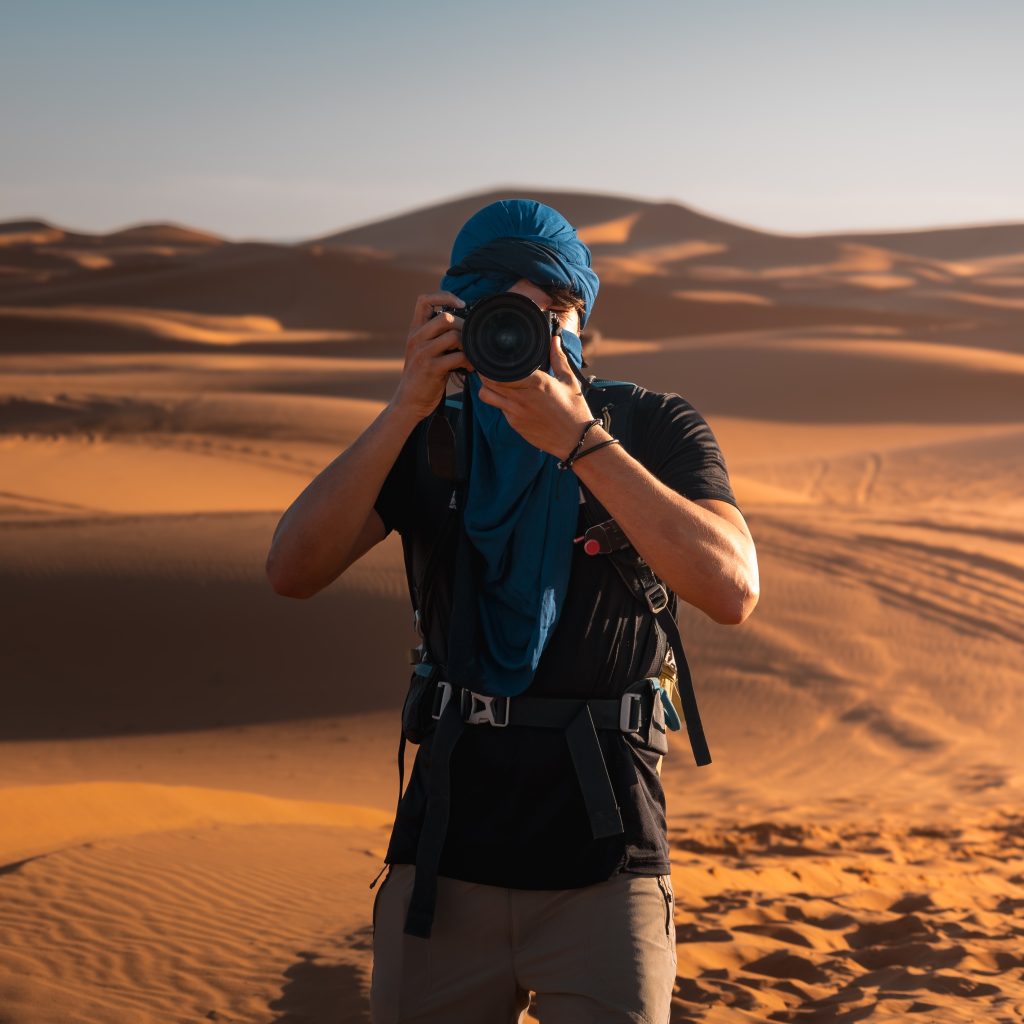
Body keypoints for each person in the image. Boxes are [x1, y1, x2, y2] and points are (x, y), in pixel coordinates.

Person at [265, 199, 759, 1023]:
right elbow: (291, 569)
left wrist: (585, 445)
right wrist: (405, 406)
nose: (525, 330)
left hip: (608, 865)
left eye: (553, 311)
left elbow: (733, 588)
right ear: (456, 312)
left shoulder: (650, 426)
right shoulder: (427, 439)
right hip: (443, 863)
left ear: (581, 319)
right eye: (500, 303)